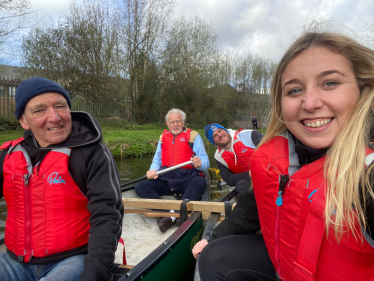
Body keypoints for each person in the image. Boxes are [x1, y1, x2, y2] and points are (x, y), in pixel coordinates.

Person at [192, 31, 374, 281]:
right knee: (214, 254)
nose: (310, 103)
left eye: (330, 83)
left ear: (363, 89)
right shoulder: (226, 157)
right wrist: (213, 238)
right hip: (280, 249)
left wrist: (247, 176)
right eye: (295, 90)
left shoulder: (368, 174)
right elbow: (245, 200)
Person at [0, 77, 124, 281]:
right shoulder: (8, 154)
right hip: (15, 260)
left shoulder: (91, 152)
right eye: (40, 110)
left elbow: (107, 213)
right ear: (24, 120)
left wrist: (97, 267)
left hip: (72, 260)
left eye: (60, 106)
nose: (55, 117)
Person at [135, 108, 209, 232]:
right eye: (172, 122)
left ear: (184, 122)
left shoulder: (193, 137)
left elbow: (205, 161)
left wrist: (200, 163)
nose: (175, 125)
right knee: (140, 187)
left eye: (178, 121)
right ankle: (172, 215)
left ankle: (170, 217)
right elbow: (156, 161)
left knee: (200, 182)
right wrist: (152, 170)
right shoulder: (163, 138)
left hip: (187, 178)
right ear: (167, 124)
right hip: (166, 179)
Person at [204, 123, 262, 195]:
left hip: (267, 173)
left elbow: (271, 150)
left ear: (225, 130)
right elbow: (229, 179)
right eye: (215, 135)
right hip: (248, 181)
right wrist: (250, 174)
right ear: (214, 142)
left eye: (219, 131)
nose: (219, 135)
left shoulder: (248, 135)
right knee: (239, 186)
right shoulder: (218, 156)